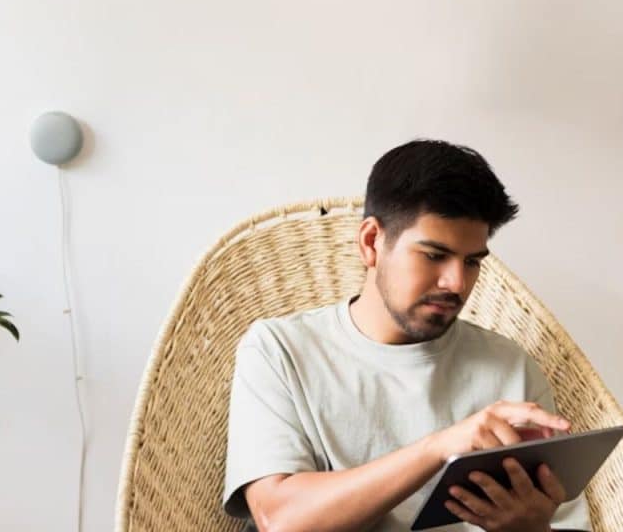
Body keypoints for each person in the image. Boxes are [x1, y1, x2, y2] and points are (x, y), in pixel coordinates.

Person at [222, 140, 591, 532]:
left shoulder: (510, 369)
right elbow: (279, 520)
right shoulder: (280, 350)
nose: (456, 283)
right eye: (434, 255)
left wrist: (533, 530)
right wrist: (441, 447)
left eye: (472, 262)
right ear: (371, 242)